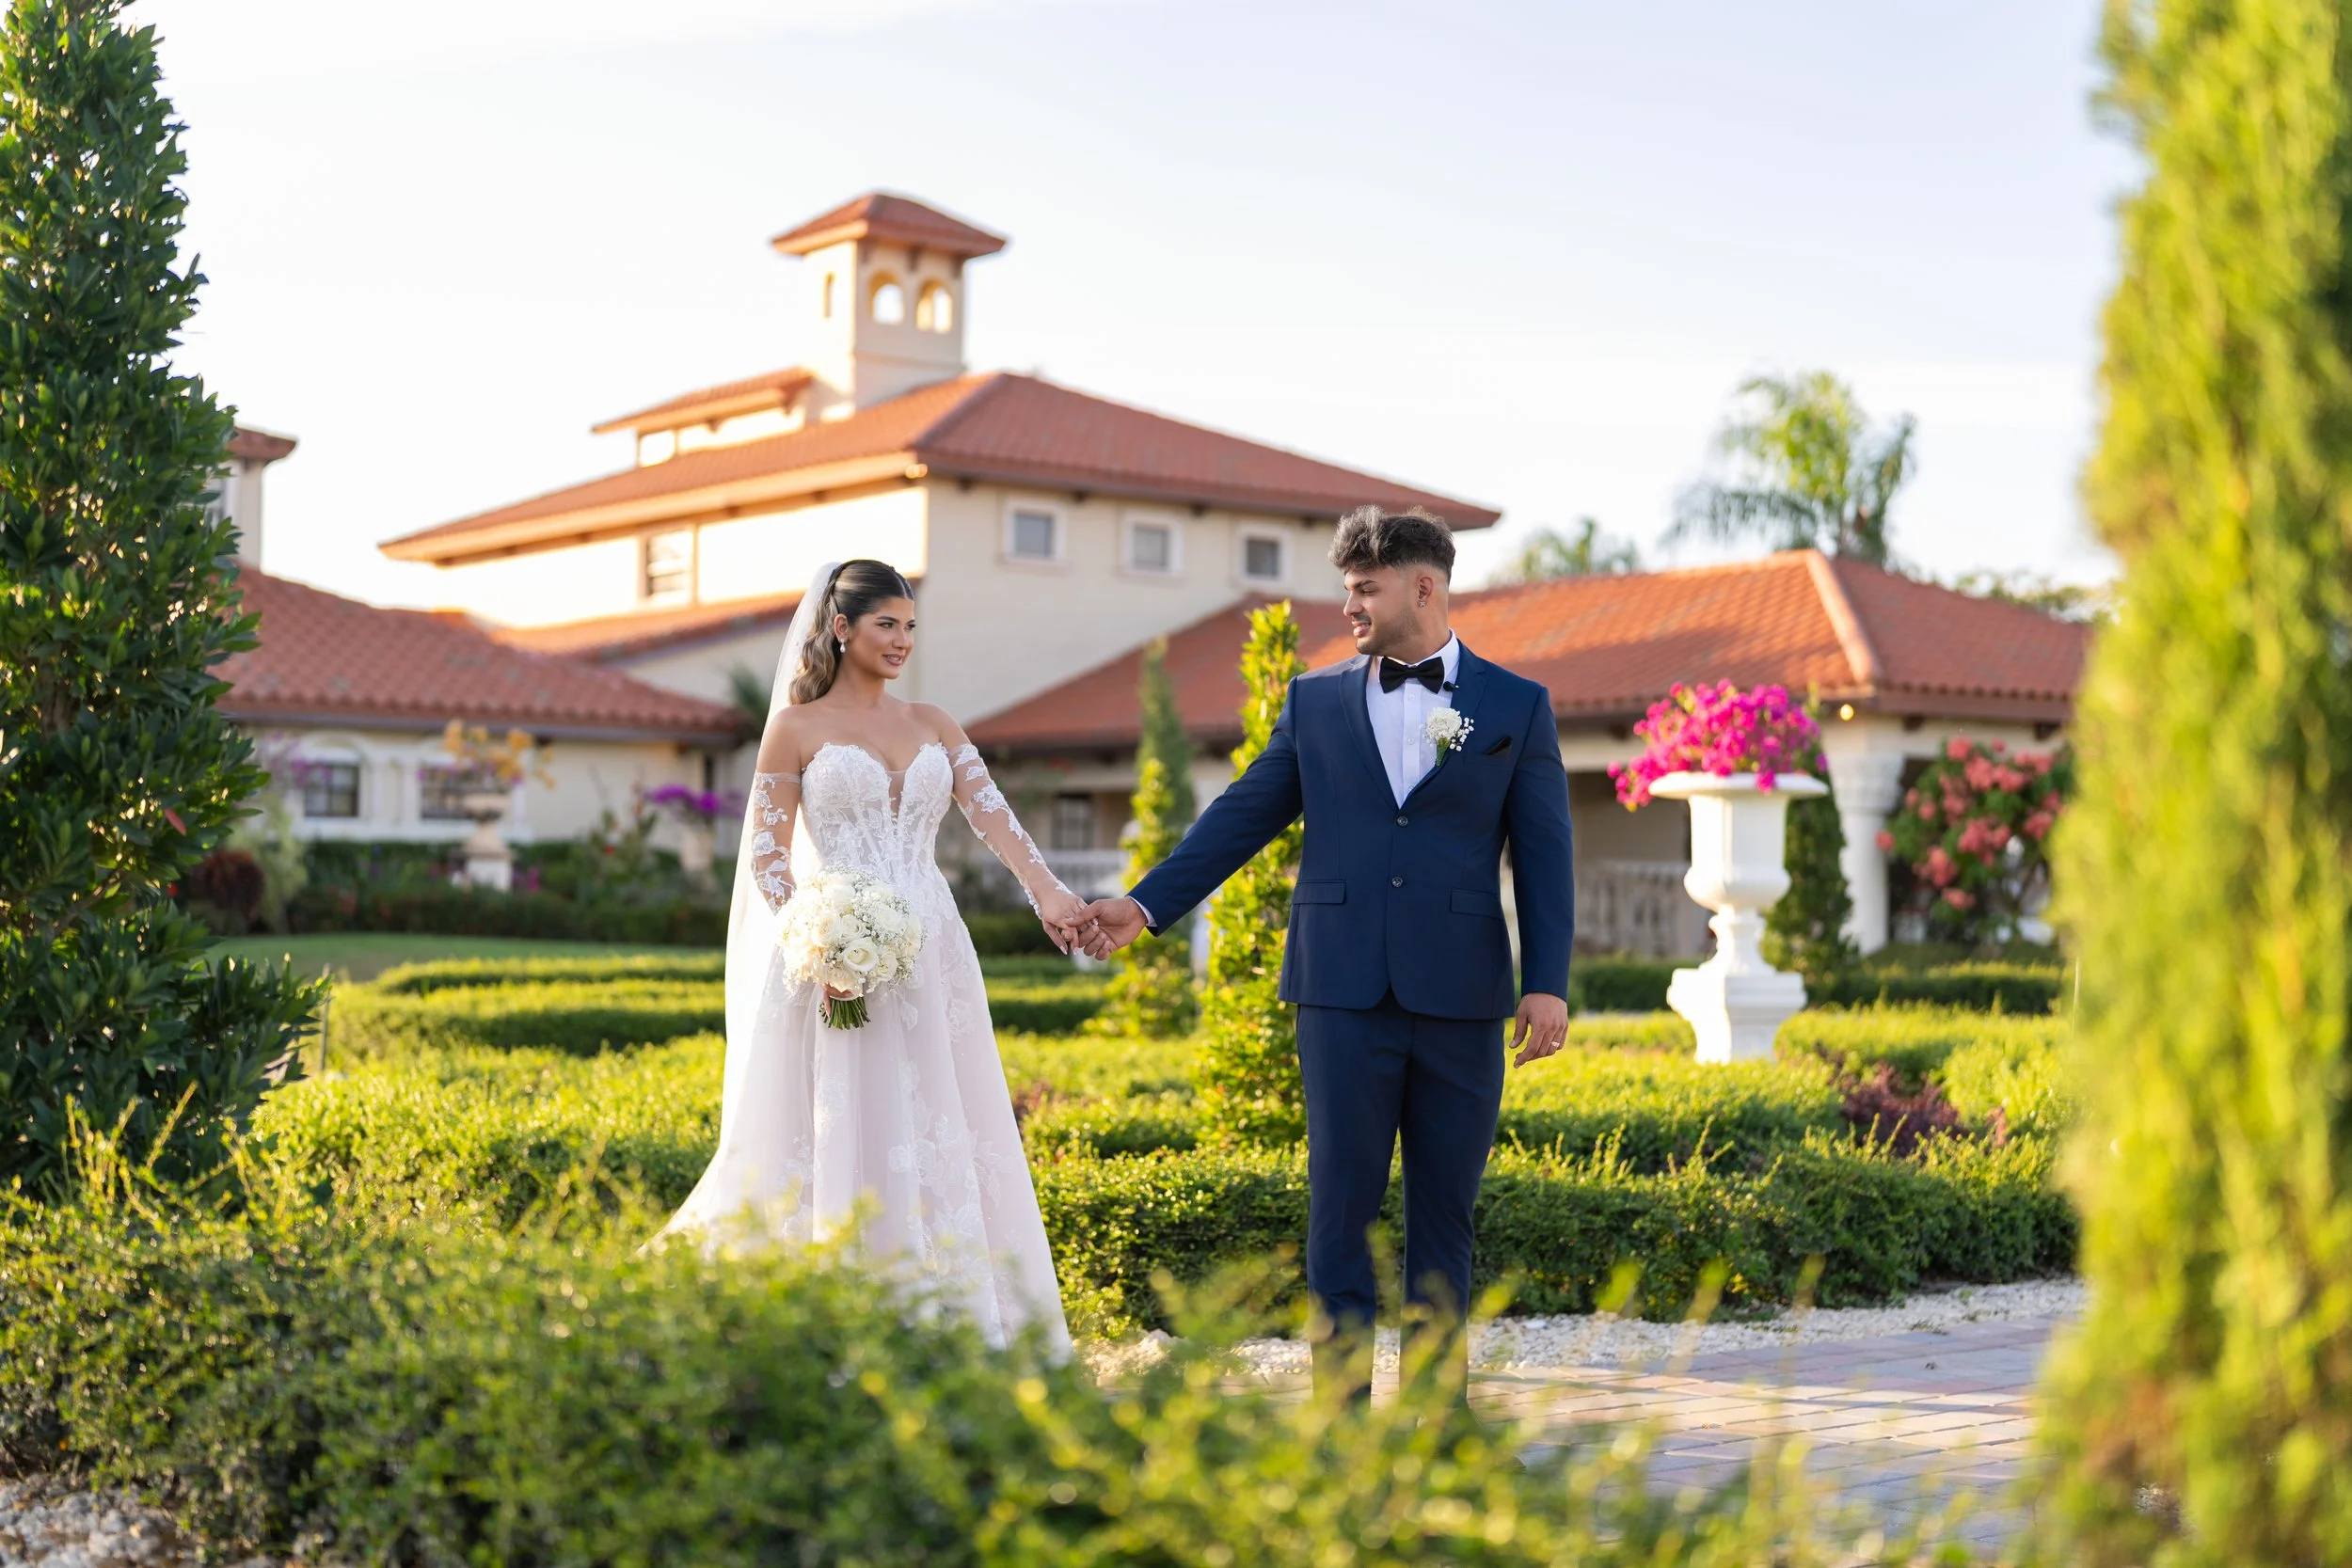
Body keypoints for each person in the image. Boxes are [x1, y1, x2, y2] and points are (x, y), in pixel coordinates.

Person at [1079, 506, 1573, 1394]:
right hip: (1340, 991)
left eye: (1362, 589)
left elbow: (1546, 855)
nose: (1347, 606)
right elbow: (1240, 814)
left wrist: (1547, 983)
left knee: (1445, 1215)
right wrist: (1147, 904)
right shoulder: (1313, 701)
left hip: (1463, 995)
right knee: (1338, 1210)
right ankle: (1338, 1416)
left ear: (1422, 585)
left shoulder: (1516, 706)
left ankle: (1435, 1417)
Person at [660, 558, 1084, 1354]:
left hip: (935, 950)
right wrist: (815, 936)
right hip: (836, 958)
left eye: (912, 626)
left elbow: (997, 822)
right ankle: (845, 1317)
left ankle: (962, 1315)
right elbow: (767, 859)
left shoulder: (934, 723)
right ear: (841, 626)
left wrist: (1049, 893)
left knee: (945, 1118)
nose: (902, 641)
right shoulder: (795, 727)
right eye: (887, 623)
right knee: (846, 1123)